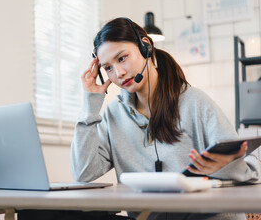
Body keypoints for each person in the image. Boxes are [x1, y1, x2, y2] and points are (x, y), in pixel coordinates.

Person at [70, 17, 261, 220]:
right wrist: (90, 104)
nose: (119, 73)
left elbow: (245, 174)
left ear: (146, 47)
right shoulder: (113, 115)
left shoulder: (195, 102)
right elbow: (83, 173)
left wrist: (223, 167)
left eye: (122, 58)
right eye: (108, 68)